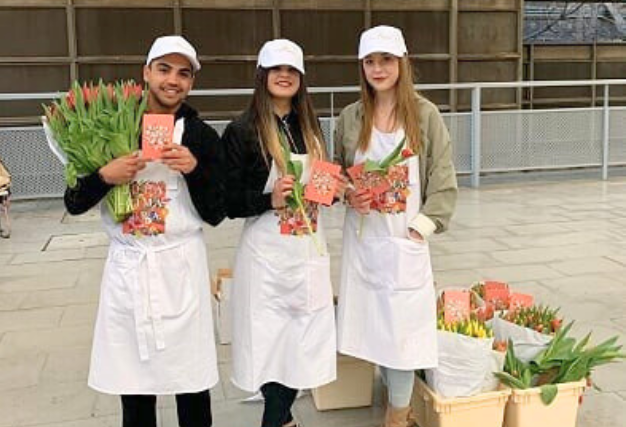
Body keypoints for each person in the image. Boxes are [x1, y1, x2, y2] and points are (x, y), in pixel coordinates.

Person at [63, 35, 224, 427]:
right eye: (164, 69)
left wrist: (194, 170)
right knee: (134, 388)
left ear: (191, 83)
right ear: (146, 72)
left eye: (183, 74)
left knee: (192, 385)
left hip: (180, 268)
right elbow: (74, 202)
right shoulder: (107, 124)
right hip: (130, 269)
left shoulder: (201, 136)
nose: (173, 81)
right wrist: (105, 175)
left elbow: (217, 212)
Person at [334, 26, 458, 427]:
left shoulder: (424, 115)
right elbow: (338, 174)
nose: (378, 69)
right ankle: (396, 401)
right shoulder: (351, 117)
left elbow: (443, 178)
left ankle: (397, 416)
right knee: (375, 327)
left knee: (403, 332)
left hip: (405, 238)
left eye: (386, 60)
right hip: (364, 239)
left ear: (402, 63)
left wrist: (419, 228)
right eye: (370, 61)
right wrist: (348, 194)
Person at [221, 39, 339, 427]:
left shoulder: (311, 126)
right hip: (266, 256)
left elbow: (320, 185)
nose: (284, 76)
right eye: (276, 69)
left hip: (307, 249)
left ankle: (281, 419)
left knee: (302, 339)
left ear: (301, 79)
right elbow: (227, 200)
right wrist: (268, 199)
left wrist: (334, 192)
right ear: (263, 76)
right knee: (272, 341)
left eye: (291, 70)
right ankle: (277, 420)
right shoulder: (242, 130)